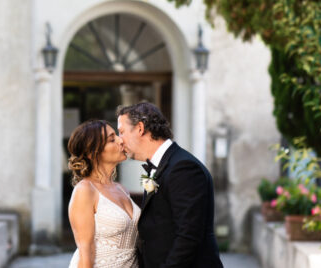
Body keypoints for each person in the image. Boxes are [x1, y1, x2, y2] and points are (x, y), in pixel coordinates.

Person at [117, 102, 224, 268]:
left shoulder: (184, 168)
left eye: (121, 132)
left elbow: (188, 237)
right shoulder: (164, 165)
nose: (120, 140)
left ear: (140, 128)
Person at [67, 119, 141, 268]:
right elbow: (85, 253)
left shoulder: (121, 189)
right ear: (92, 152)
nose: (121, 141)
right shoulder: (85, 190)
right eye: (112, 139)